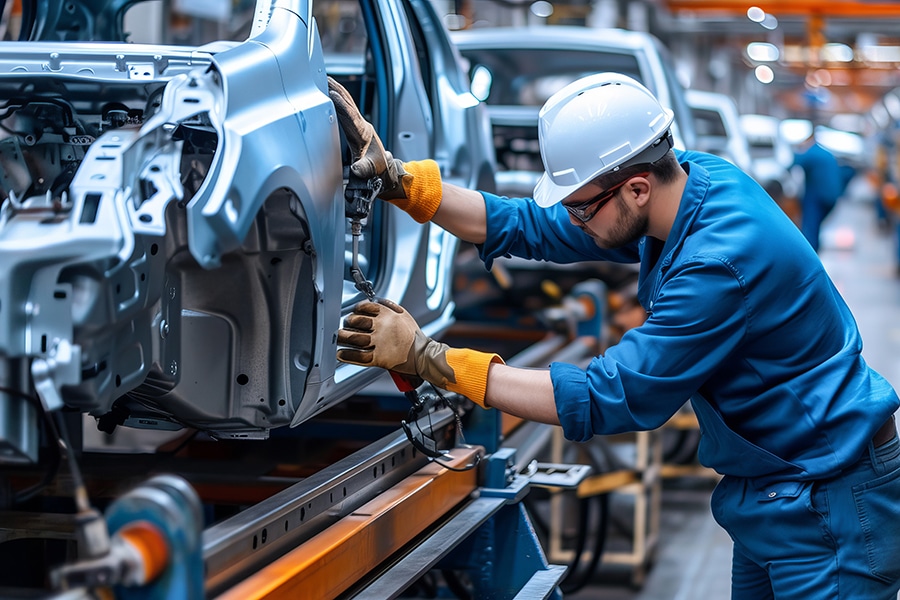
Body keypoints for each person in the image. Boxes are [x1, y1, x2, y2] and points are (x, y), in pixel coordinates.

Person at [328, 73, 900, 599]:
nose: (574, 221)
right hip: (776, 483)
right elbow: (532, 224)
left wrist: (430, 357)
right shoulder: (689, 182)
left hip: (830, 497)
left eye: (580, 208)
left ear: (636, 189)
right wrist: (401, 181)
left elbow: (612, 395)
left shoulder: (718, 262)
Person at [791, 130, 842, 252]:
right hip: (832, 197)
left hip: (817, 196)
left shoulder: (811, 153)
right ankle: (815, 251)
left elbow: (792, 163)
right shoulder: (825, 153)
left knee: (810, 228)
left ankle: (809, 255)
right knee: (816, 226)